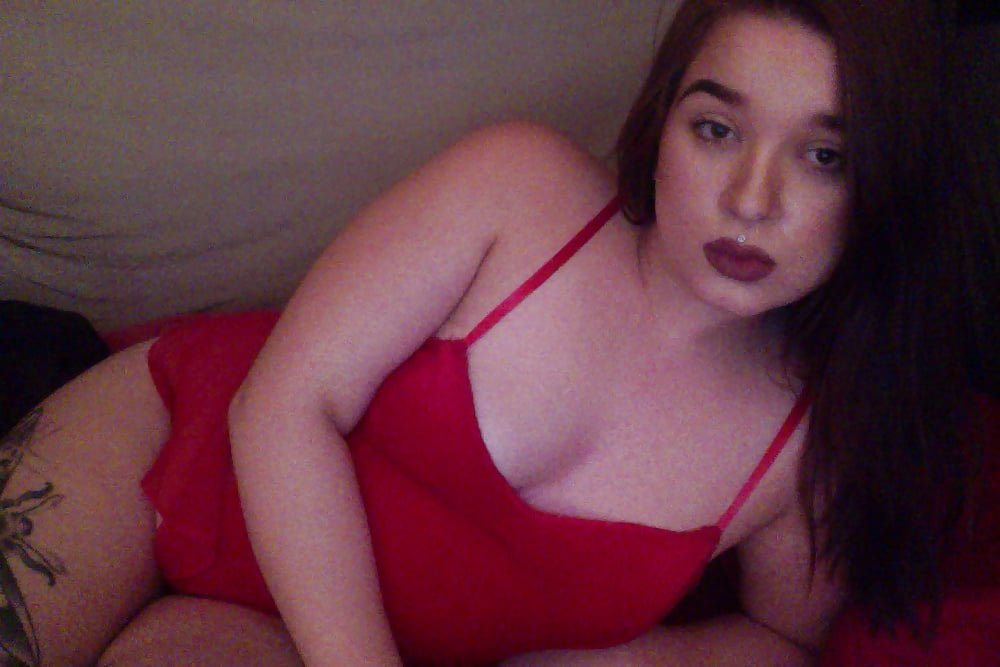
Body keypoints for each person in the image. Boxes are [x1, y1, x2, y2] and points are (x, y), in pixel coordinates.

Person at [0, 0, 986, 665]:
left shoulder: (811, 448)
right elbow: (284, 403)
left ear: (884, 187)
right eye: (716, 129)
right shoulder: (520, 185)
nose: (751, 198)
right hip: (178, 447)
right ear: (661, 127)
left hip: (264, 626)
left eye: (822, 155)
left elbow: (780, 642)